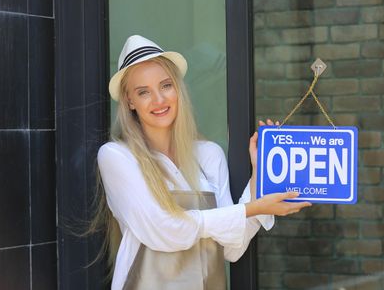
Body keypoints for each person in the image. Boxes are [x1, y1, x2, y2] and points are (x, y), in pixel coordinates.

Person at [96, 35, 311, 290]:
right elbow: (163, 229)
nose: (159, 100)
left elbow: (233, 247)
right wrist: (251, 209)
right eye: (143, 92)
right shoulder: (117, 157)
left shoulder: (209, 155)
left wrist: (260, 176)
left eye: (165, 86)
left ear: (178, 88)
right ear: (129, 101)